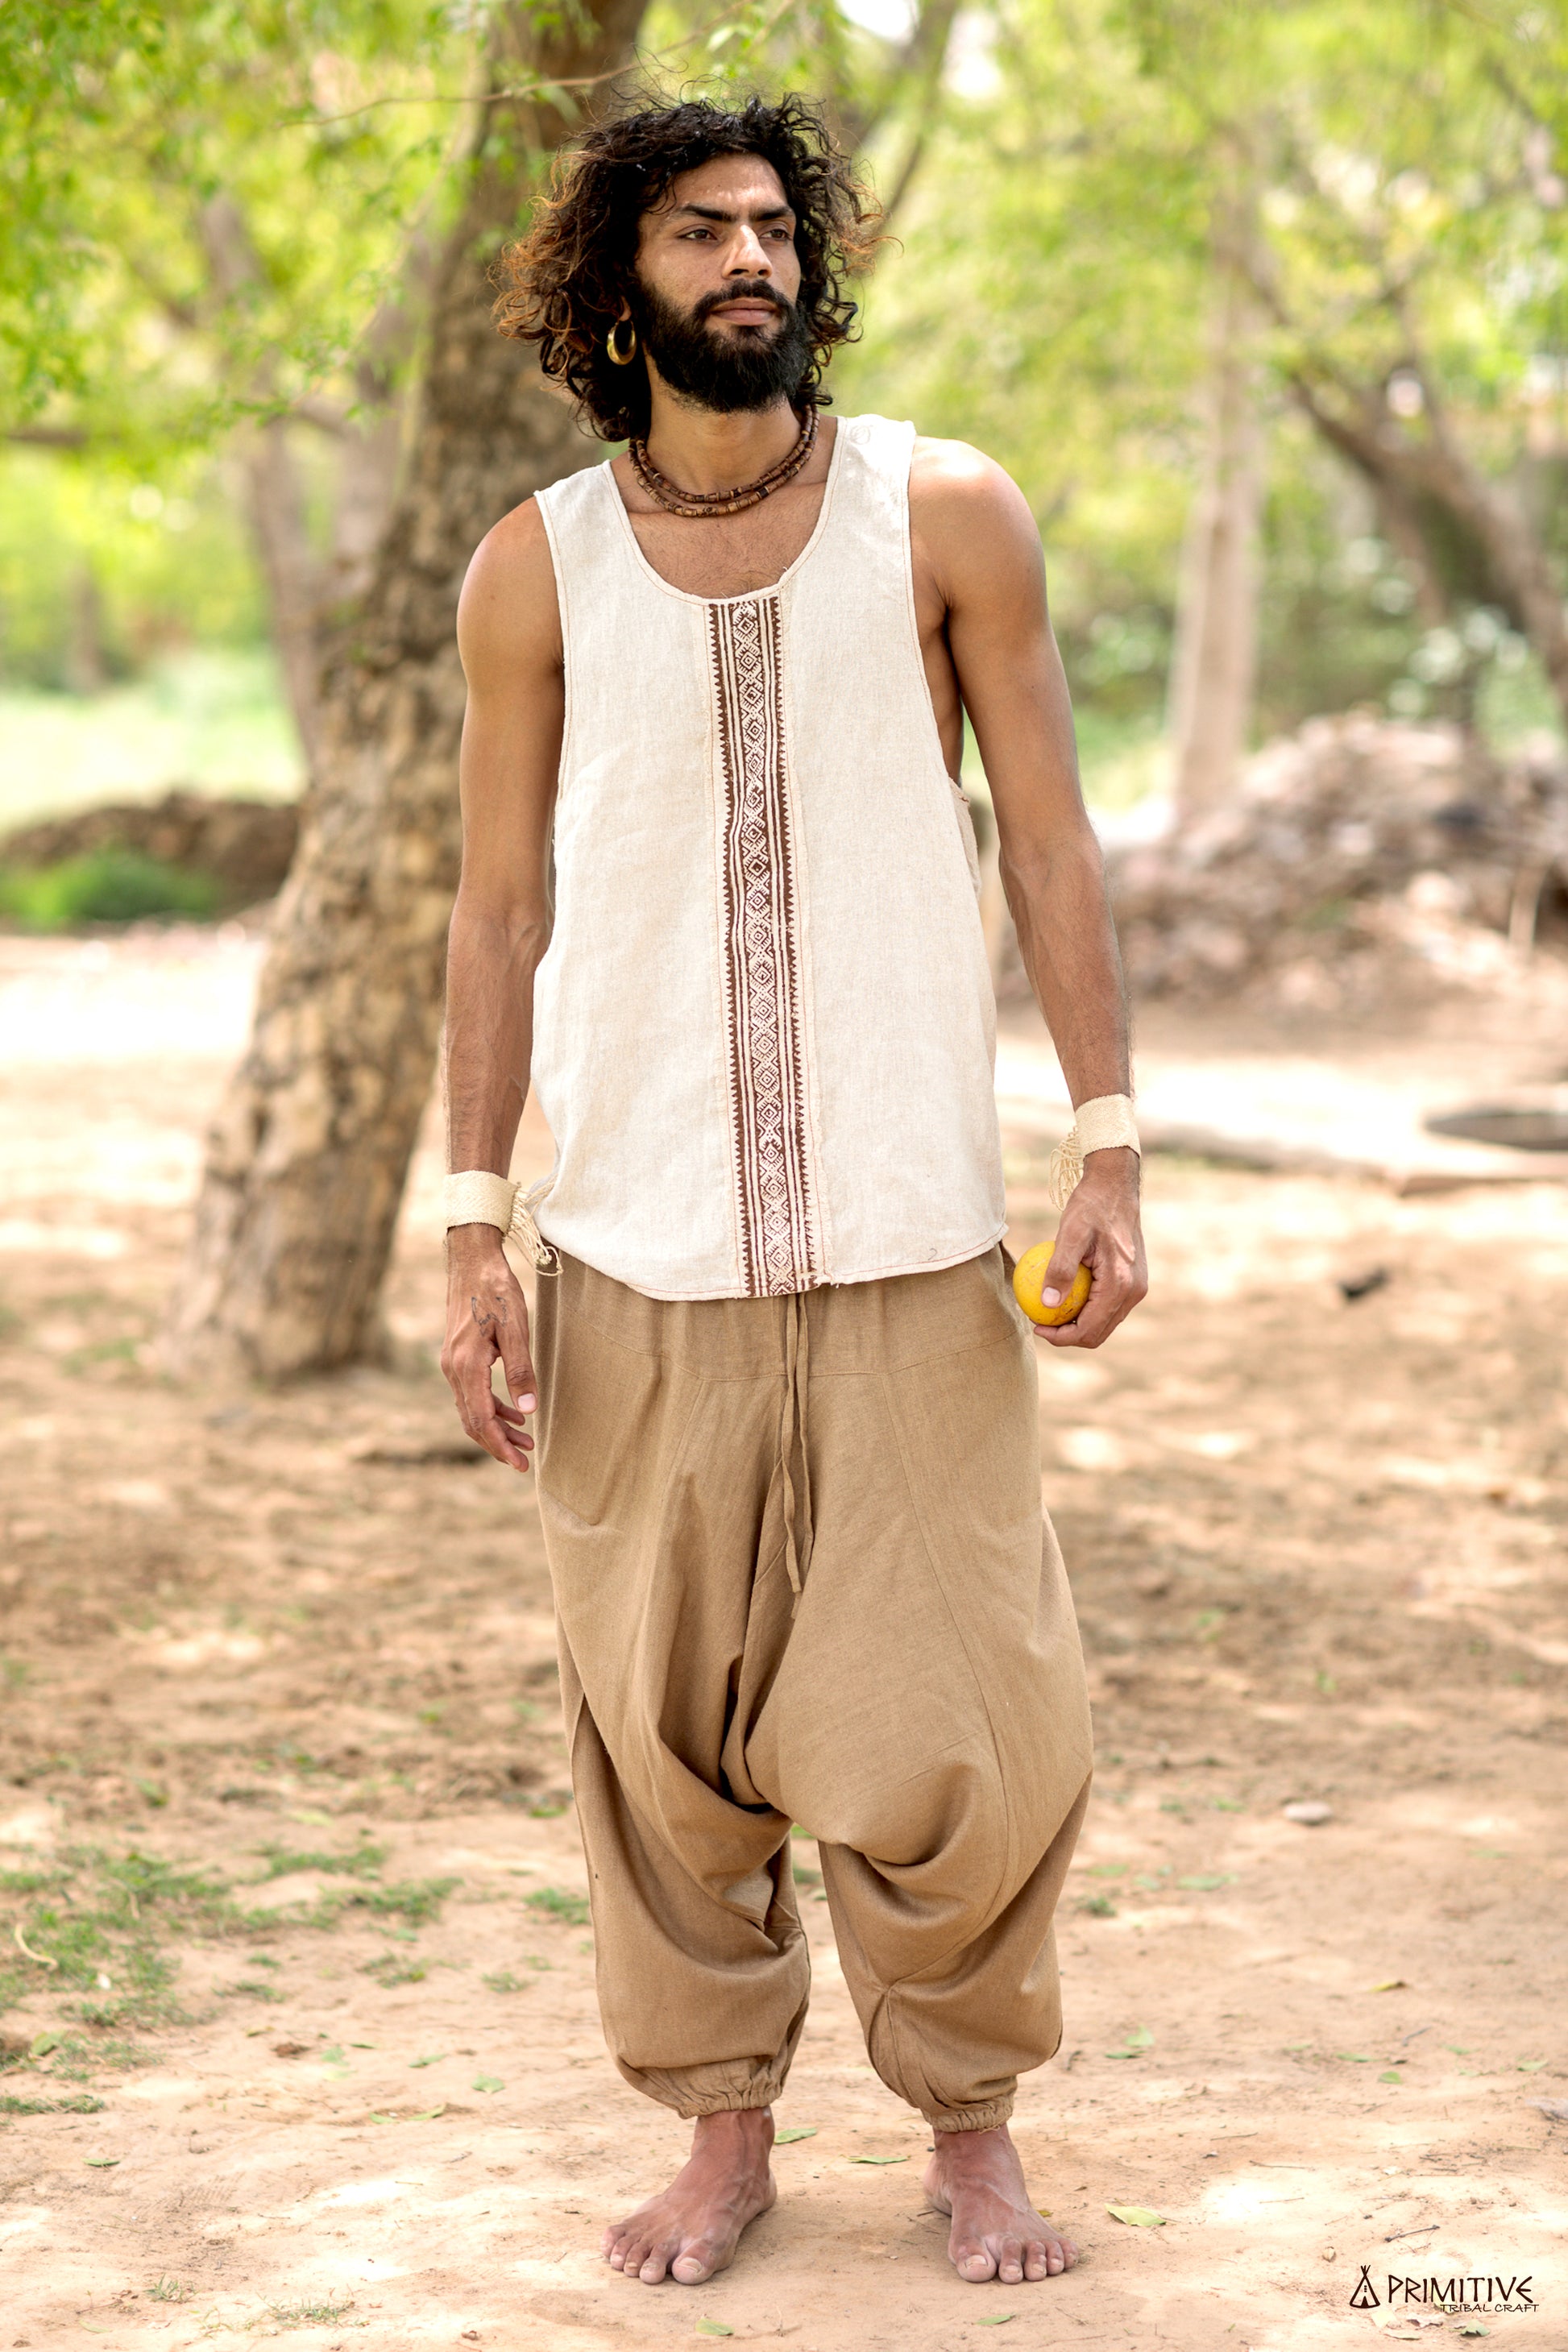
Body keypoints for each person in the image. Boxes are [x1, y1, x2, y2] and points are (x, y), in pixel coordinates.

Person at [438, 92, 1147, 2296]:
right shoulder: (529, 566)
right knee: (659, 1721)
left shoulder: (943, 513)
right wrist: (472, 1220)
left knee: (957, 1710)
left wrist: (1108, 1144)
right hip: (631, 1237)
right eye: (693, 230)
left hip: (915, 1230)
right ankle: (720, 2141)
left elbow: (1046, 842)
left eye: (767, 228)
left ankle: (971, 2139)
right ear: (611, 288)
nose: (744, 256)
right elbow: (487, 913)